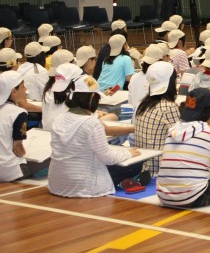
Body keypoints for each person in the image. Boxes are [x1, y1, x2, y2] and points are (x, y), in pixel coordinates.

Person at [48, 66, 143, 198]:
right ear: (92, 97)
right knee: (136, 164)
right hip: (84, 185)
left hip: (57, 182)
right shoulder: (91, 123)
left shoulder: (59, 118)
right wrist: (128, 153)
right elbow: (108, 158)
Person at [0, 72, 48, 182]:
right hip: (7, 172)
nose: (25, 89)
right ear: (14, 91)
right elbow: (18, 149)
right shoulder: (19, 113)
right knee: (52, 157)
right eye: (23, 86)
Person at [133, 61, 181, 176]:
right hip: (161, 169)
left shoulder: (144, 104)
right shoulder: (168, 107)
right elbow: (182, 138)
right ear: (170, 82)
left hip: (144, 167)